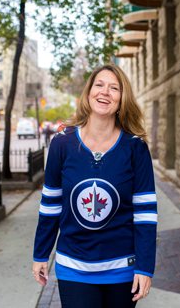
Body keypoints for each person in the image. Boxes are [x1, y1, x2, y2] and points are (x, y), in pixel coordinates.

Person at [32, 64, 157, 307]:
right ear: (88, 93)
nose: (105, 92)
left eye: (114, 88)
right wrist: (41, 253)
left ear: (122, 100)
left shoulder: (135, 148)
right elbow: (50, 205)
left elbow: (145, 214)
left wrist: (145, 267)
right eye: (99, 85)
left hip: (122, 268)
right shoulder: (62, 143)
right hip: (74, 266)